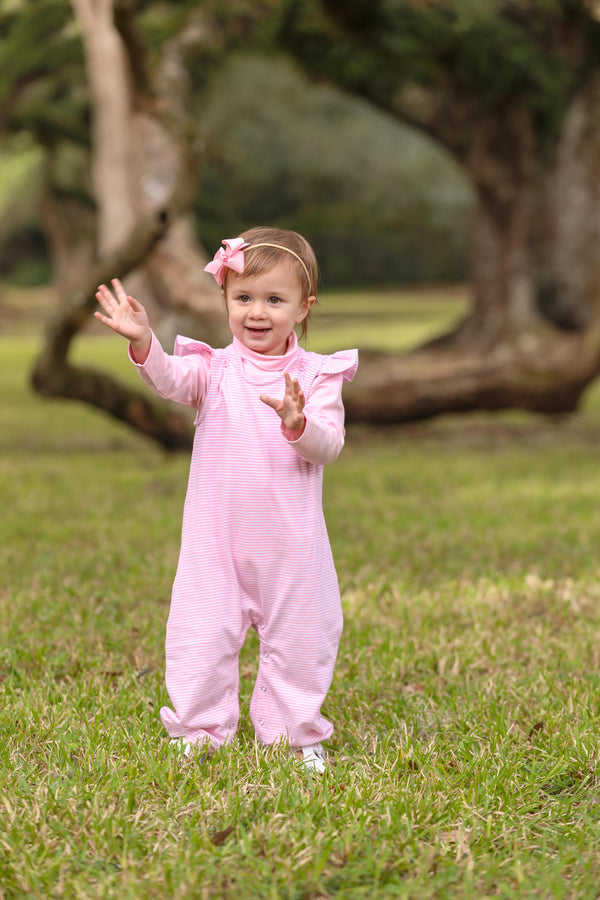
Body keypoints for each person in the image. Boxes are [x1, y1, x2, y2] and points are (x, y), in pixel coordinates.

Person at [95, 227, 358, 773]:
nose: (256, 312)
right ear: (225, 300)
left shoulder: (316, 375)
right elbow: (169, 380)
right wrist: (144, 342)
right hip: (216, 546)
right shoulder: (213, 371)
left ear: (303, 307)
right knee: (201, 636)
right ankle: (200, 730)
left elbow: (328, 445)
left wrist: (298, 421)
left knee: (302, 639)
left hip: (291, 549)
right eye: (243, 298)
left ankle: (293, 735)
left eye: (273, 300)